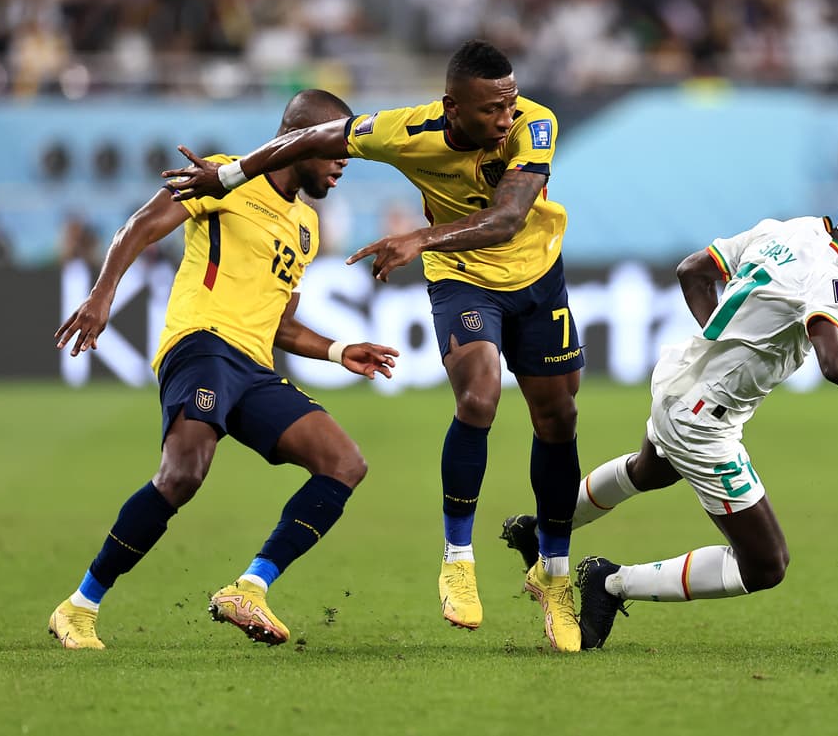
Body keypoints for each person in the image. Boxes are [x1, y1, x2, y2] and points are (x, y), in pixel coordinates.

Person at [161, 40, 586, 652]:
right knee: (479, 397)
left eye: (509, 103)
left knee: (558, 417)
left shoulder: (534, 124)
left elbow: (509, 218)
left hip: (537, 275)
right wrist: (228, 174)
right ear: (452, 107)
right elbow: (307, 138)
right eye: (491, 109)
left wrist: (420, 236)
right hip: (462, 277)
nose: (504, 119)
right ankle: (458, 559)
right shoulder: (402, 132)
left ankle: (554, 577)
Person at [502, 188, 838, 649]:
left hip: (678, 379)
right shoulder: (826, 278)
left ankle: (541, 530)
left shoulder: (789, 230)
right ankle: (609, 582)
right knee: (765, 565)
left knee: (649, 470)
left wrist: (722, 344)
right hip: (703, 418)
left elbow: (691, 270)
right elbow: (836, 362)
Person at [48, 90, 400, 650]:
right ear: (300, 139)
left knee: (344, 463)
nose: (344, 159)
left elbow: (280, 325)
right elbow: (139, 226)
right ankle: (80, 605)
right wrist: (100, 296)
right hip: (202, 345)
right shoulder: (224, 178)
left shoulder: (306, 225)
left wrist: (337, 351)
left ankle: (250, 587)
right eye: (335, 145)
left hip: (254, 367)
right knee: (183, 473)